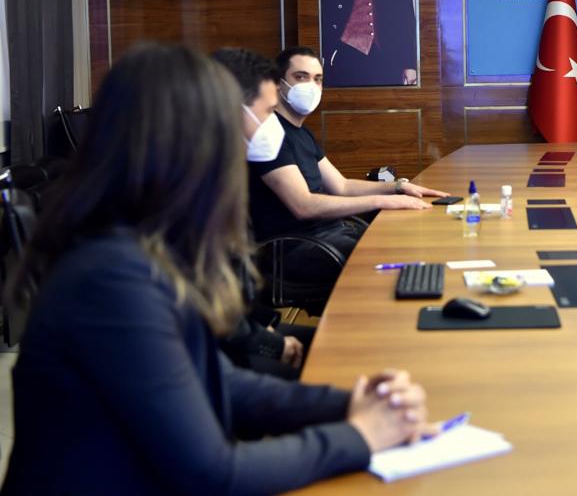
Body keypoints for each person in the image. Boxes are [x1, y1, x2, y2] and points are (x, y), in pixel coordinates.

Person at [2, 43, 434, 494]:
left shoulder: (153, 245)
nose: (262, 134)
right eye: (251, 119)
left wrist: (352, 404)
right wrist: (362, 435)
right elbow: (212, 474)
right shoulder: (112, 277)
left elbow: (218, 380)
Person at [248, 47, 446, 312]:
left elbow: (341, 185)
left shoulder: (302, 134)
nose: (311, 86)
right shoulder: (268, 136)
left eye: (318, 79)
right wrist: (381, 201)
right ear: (279, 83)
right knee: (386, 262)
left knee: (401, 241)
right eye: (301, 76)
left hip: (329, 234)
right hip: (294, 249)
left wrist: (398, 187)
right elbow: (303, 205)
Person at [212, 47, 313, 380]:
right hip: (225, 366)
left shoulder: (224, 177)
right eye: (269, 112)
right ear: (231, 110)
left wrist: (265, 327)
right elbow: (206, 313)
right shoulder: (195, 199)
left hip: (243, 332)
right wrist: (269, 342)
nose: (275, 125)